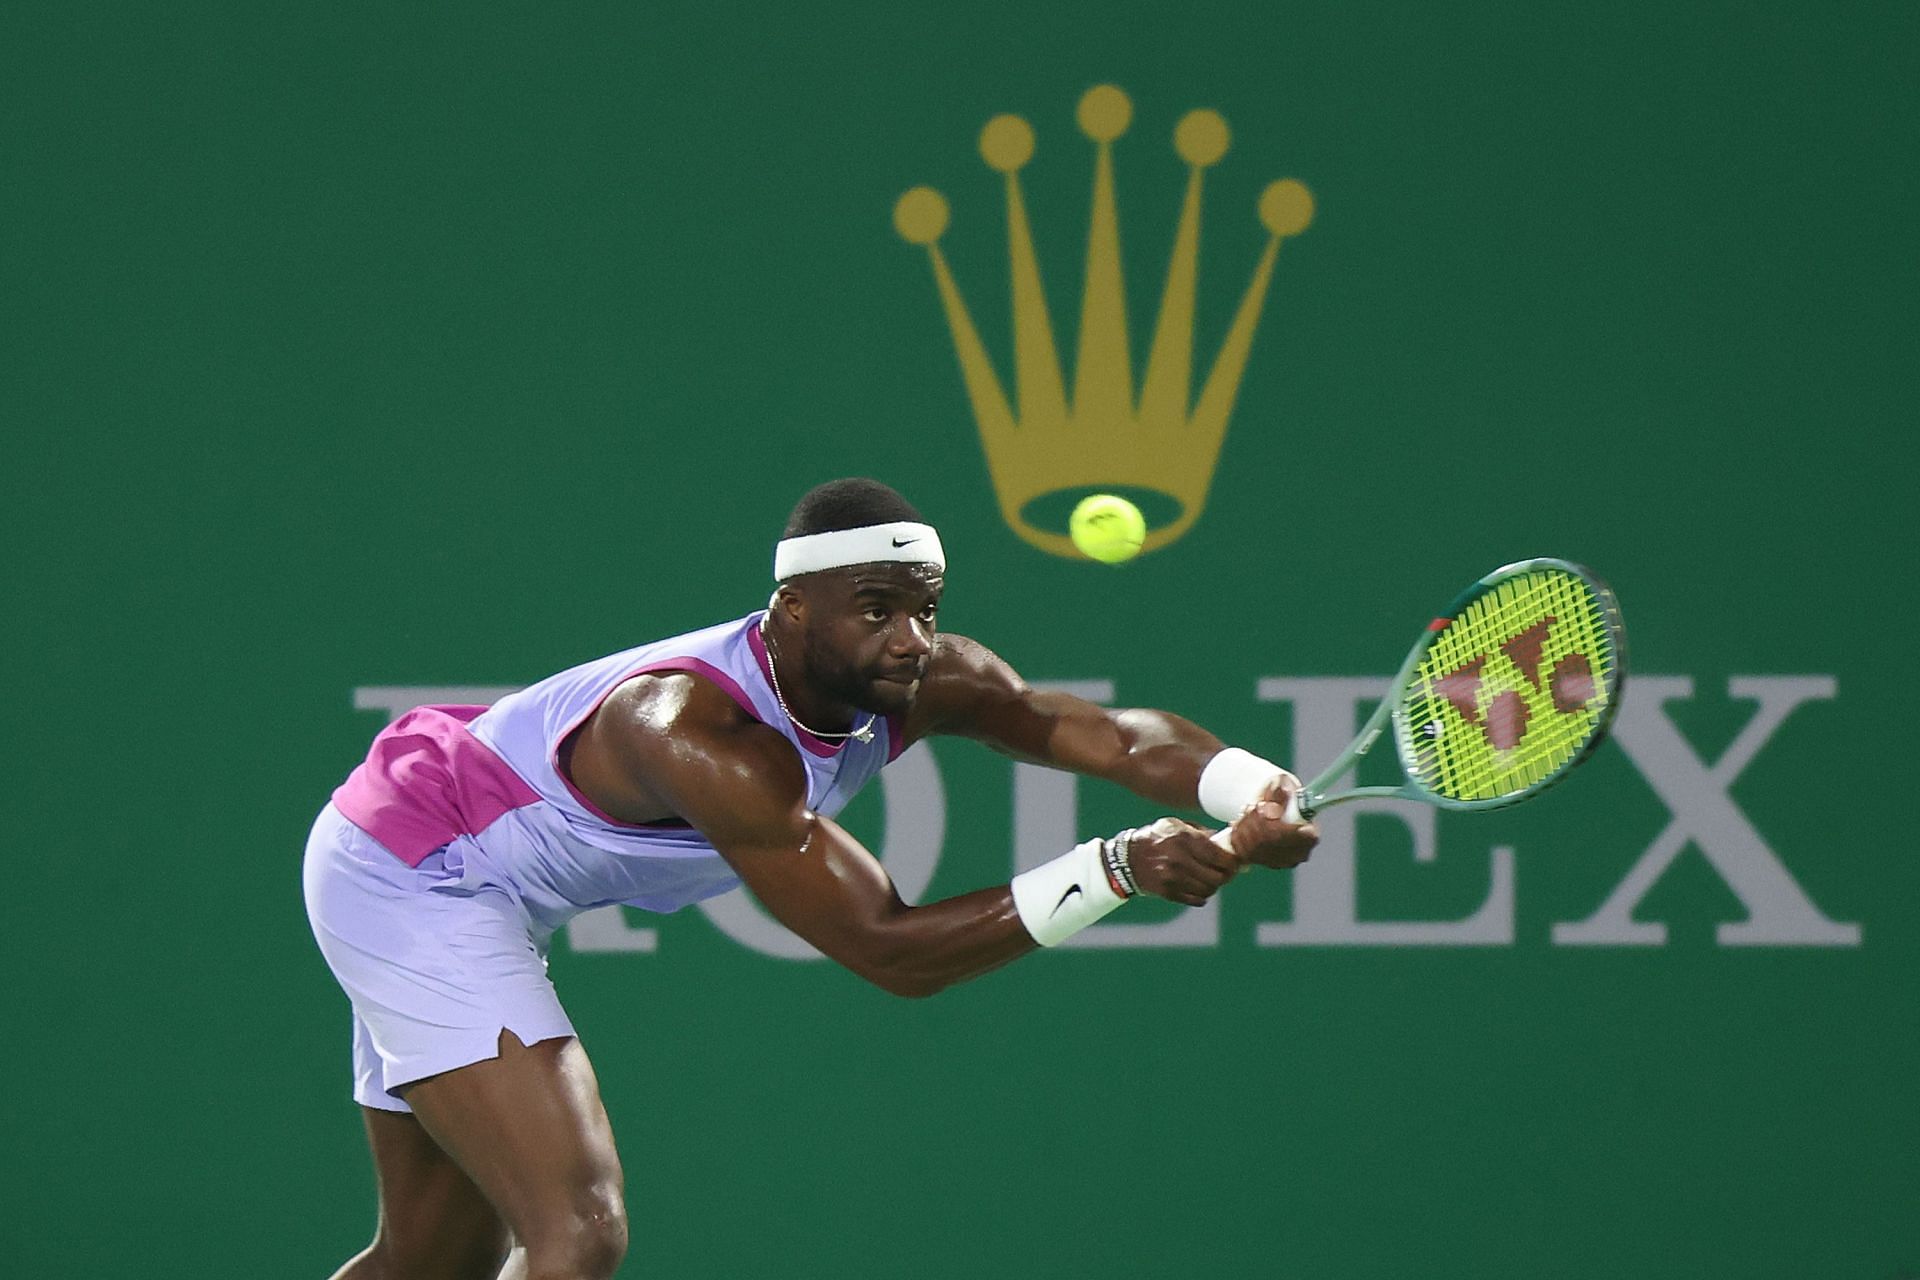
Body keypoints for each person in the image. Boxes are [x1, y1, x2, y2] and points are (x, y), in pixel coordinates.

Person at [304, 477, 1318, 1280]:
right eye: (874, 609)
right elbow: (889, 949)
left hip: (456, 866)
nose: (909, 639)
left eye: (925, 610)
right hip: (417, 869)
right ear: (791, 609)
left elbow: (1108, 735)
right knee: (580, 1232)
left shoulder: (920, 676)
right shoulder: (700, 735)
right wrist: (1119, 866)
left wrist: (1251, 781)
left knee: (431, 1265)